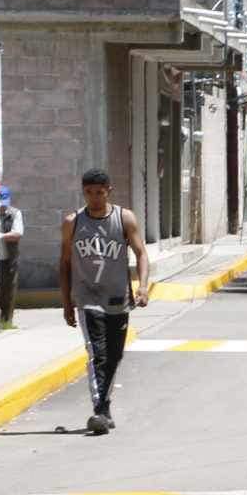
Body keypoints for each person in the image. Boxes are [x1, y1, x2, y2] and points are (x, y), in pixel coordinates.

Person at [60, 168, 152, 435]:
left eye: (99, 192)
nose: (94, 198)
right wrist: (67, 302)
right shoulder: (72, 222)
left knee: (114, 355)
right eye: (89, 193)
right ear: (83, 192)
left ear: (109, 191)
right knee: (96, 353)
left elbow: (141, 254)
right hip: (87, 298)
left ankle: (105, 405)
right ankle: (99, 411)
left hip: (118, 298)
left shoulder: (124, 218)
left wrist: (143, 287)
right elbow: (64, 264)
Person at [0, 185, 23, 327]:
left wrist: (0, 236)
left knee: (8, 290)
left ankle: (7, 321)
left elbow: (17, 234)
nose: (2, 208)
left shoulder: (14, 214)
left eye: (4, 204)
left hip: (8, 259)